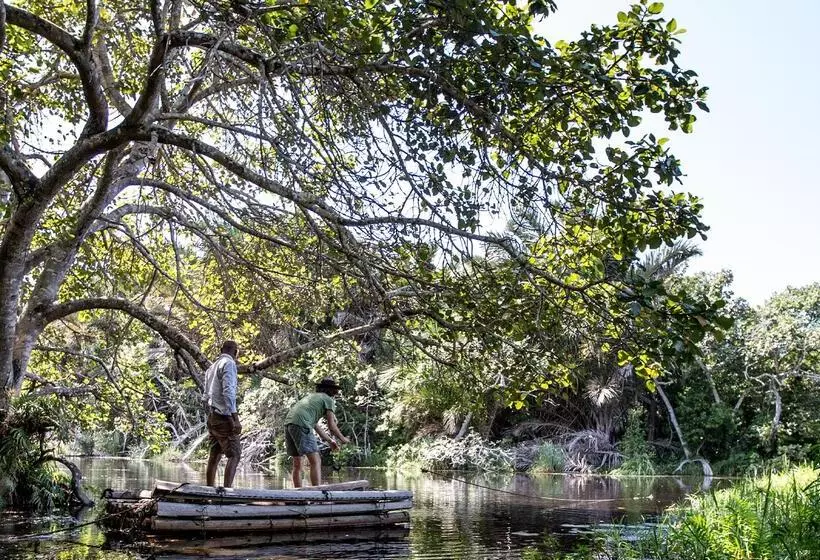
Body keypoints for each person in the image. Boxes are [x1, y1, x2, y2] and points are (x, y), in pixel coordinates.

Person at [284, 377, 350, 487]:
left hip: (289, 423)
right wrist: (343, 439)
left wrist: (330, 441)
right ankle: (317, 493)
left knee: (297, 464)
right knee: (316, 461)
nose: (336, 393)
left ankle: (297, 496)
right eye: (335, 390)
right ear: (332, 390)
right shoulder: (328, 400)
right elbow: (332, 426)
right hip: (301, 424)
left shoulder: (312, 398)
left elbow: (315, 425)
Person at [204, 340, 242, 487]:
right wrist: (235, 419)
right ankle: (227, 493)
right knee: (235, 455)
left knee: (214, 456)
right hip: (224, 417)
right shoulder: (229, 364)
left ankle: (208, 491)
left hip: (212, 415)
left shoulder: (211, 367)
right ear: (236, 352)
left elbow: (206, 395)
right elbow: (228, 392)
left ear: (221, 350)